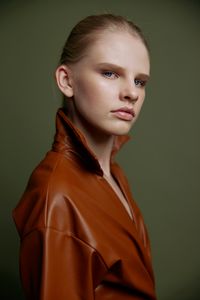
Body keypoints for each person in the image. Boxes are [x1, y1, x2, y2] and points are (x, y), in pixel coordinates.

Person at [13, 14, 157, 300]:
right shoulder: (56, 196)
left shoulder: (114, 174)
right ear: (67, 81)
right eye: (109, 73)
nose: (131, 93)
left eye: (140, 81)